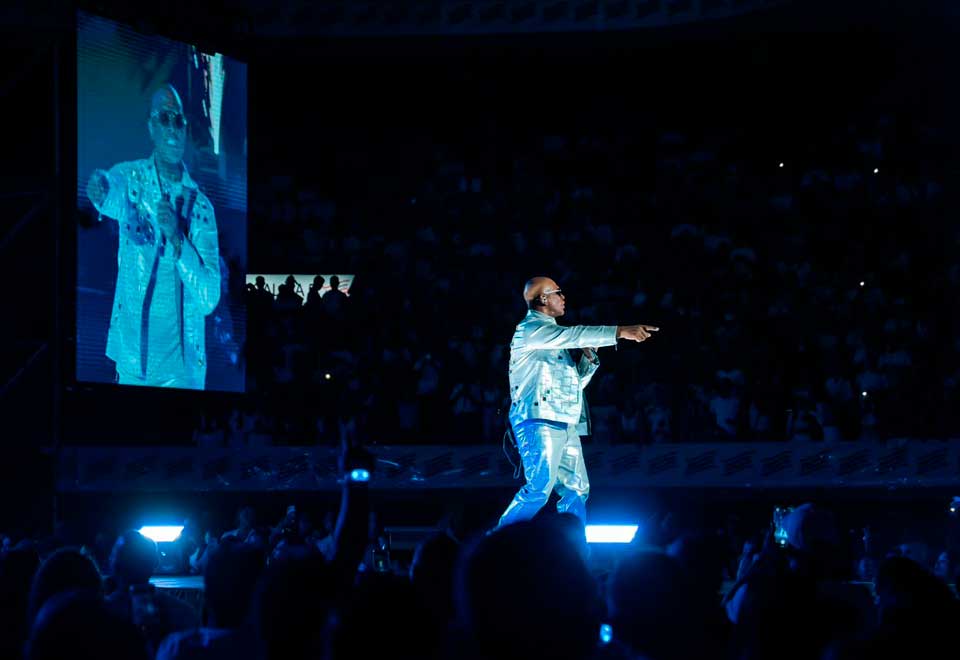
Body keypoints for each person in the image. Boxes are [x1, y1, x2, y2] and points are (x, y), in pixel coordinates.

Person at [86, 84, 220, 390]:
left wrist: (176, 237)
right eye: (164, 118)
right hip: (133, 362)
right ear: (151, 126)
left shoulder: (200, 207)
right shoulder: (133, 178)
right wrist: (101, 189)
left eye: (179, 120)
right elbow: (114, 193)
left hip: (183, 373)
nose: (172, 128)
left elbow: (209, 297)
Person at [498, 276, 657, 528]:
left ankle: (572, 543)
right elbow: (575, 334)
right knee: (539, 487)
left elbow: (572, 387)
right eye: (558, 292)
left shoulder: (553, 338)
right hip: (538, 420)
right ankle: (498, 541)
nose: (563, 297)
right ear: (543, 299)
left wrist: (588, 362)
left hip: (563, 421)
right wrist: (620, 331)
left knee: (577, 489)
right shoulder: (529, 330)